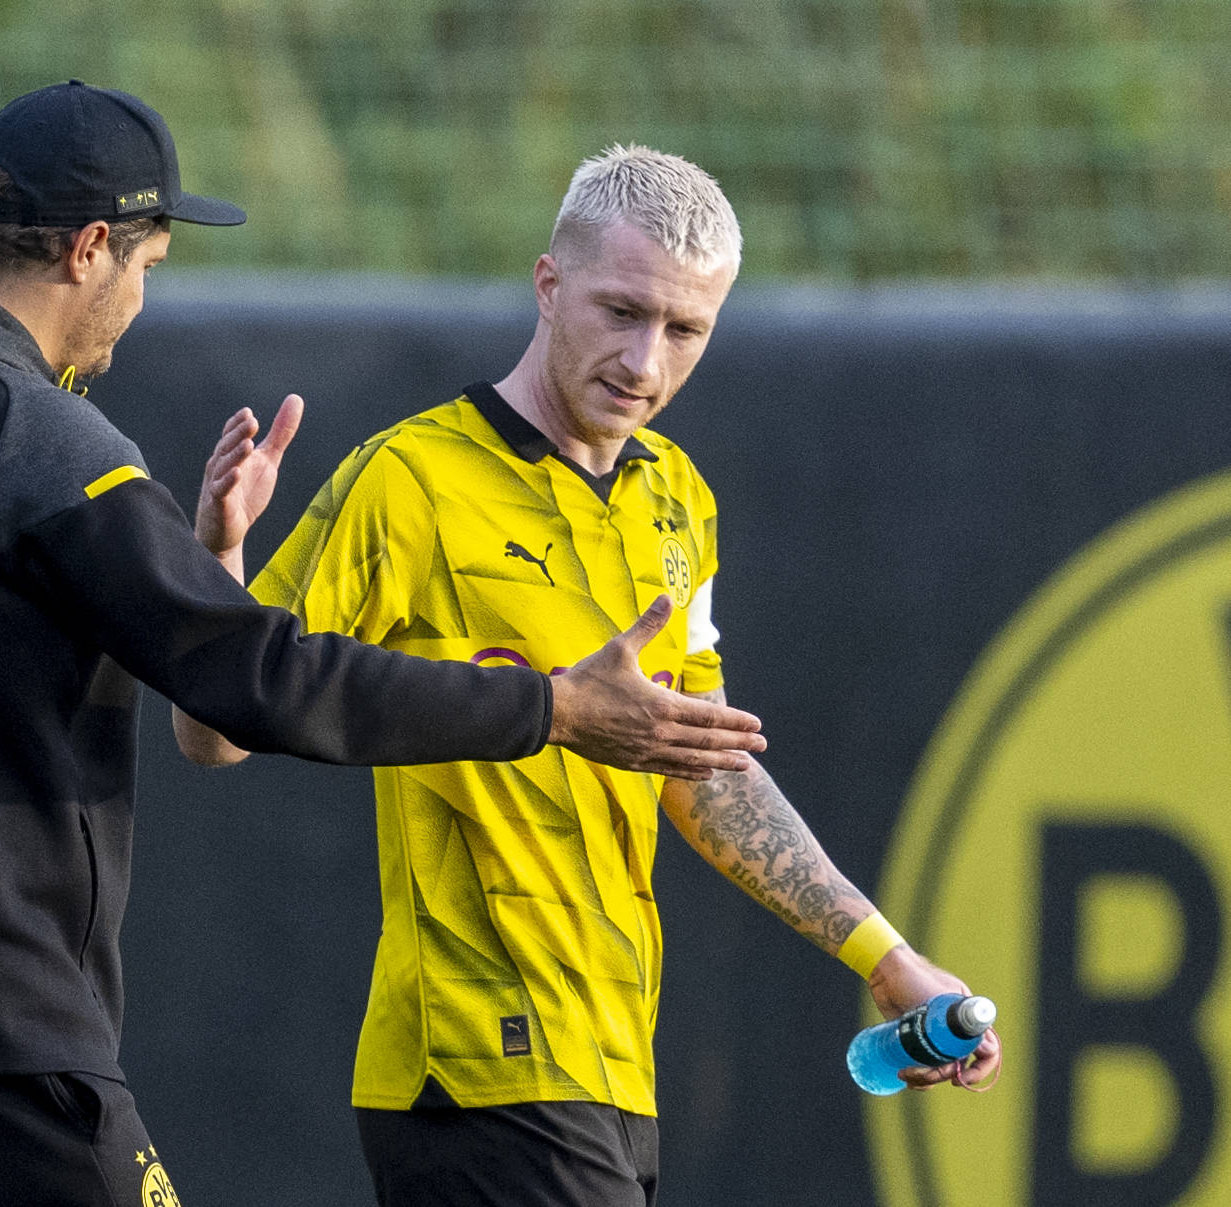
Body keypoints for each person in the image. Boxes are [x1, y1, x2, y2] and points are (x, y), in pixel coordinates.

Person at [0, 85, 771, 1207]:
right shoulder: (38, 432)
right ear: (90, 249)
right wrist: (551, 707)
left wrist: (211, 556)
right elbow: (255, 677)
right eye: (149, 267)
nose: (138, 303)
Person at [174, 143, 1002, 1206]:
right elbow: (215, 730)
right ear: (548, 283)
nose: (645, 361)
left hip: (613, 1062)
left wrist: (888, 961)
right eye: (622, 311)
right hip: (474, 1060)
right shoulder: (412, 479)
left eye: (684, 329)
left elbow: (701, 766)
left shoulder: (677, 499)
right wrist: (220, 559)